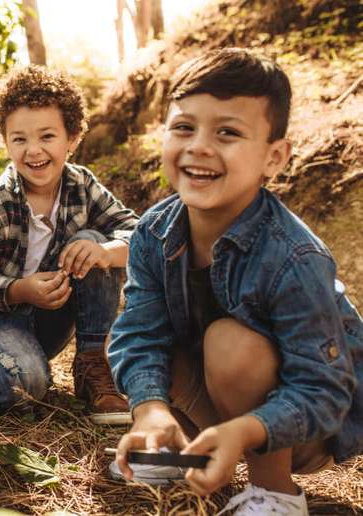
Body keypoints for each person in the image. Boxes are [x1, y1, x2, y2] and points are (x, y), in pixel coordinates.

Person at [108, 48, 362, 515]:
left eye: (227, 132)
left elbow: (323, 389)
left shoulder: (294, 256)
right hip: (221, 399)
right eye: (184, 127)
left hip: (302, 425)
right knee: (160, 342)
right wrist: (150, 410)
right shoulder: (152, 232)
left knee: (229, 343)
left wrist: (244, 430)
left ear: (275, 157)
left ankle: (275, 493)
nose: (199, 146)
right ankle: (179, 447)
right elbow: (140, 332)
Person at [0, 65, 139, 423]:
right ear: (5, 142)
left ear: (73, 137)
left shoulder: (82, 185)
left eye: (47, 136)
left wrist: (107, 252)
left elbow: (138, 232)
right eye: (19, 139)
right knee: (25, 388)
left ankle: (92, 363)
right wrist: (19, 290)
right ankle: (4, 369)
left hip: (49, 320)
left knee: (92, 242)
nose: (33, 151)